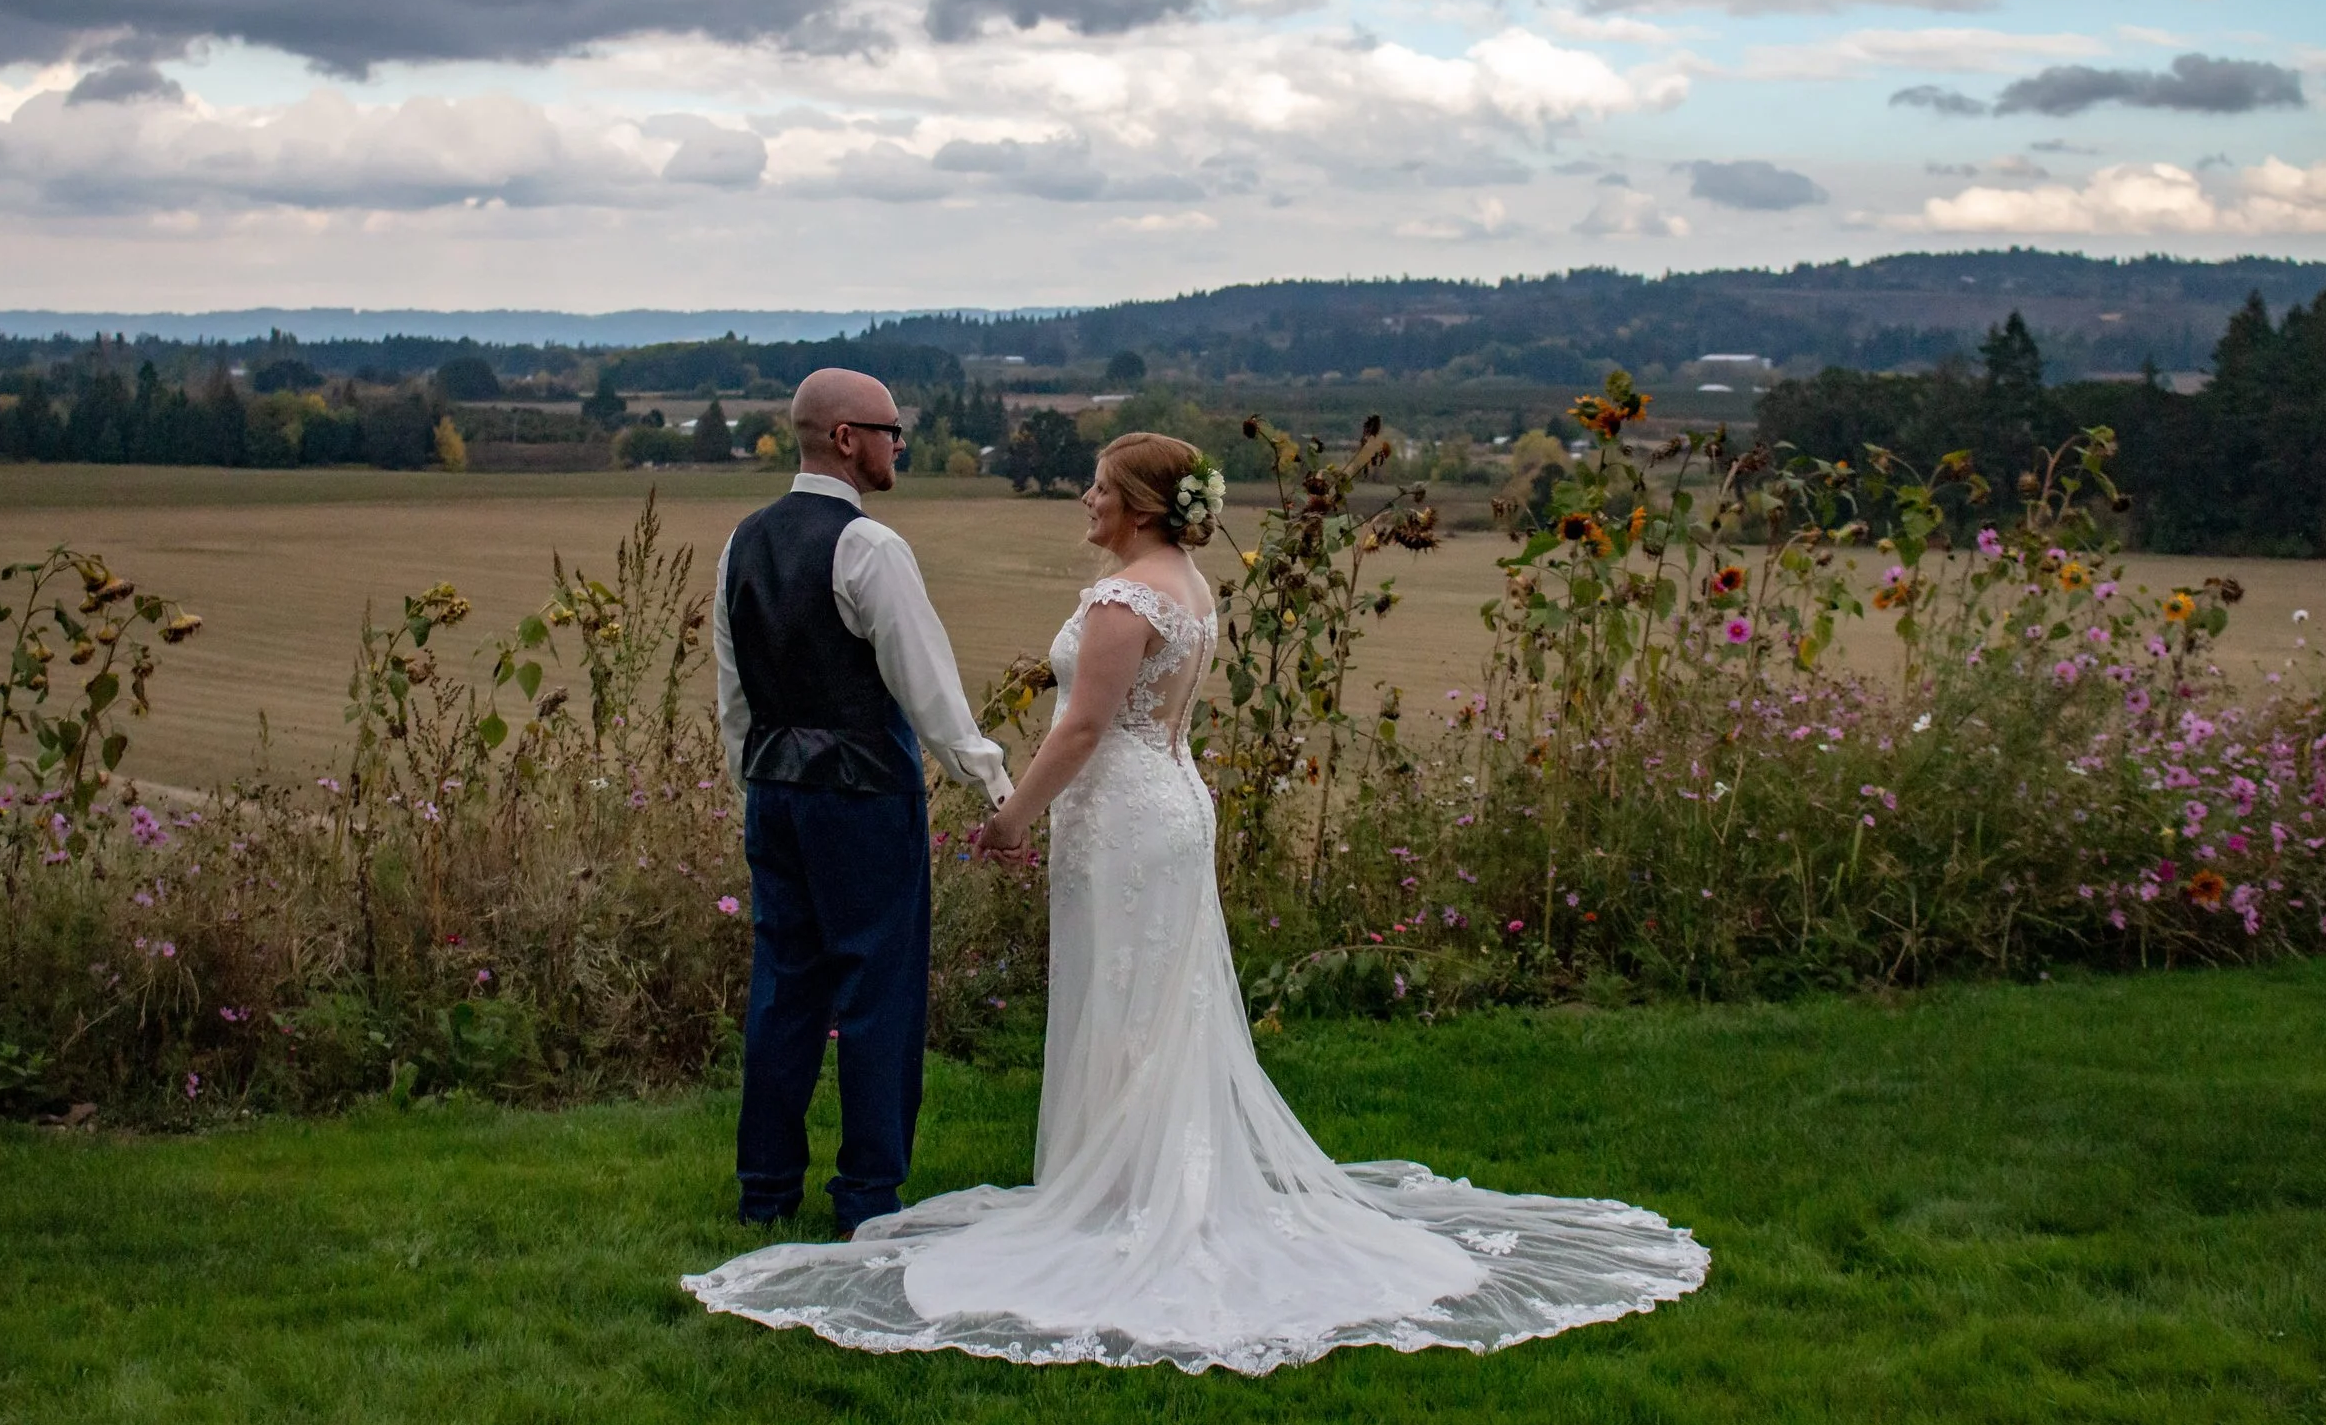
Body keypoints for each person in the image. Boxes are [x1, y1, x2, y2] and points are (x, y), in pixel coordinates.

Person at [687, 432, 1707, 1374]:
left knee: (1127, 997)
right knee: (1156, 999)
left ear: (1135, 505)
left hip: (1121, 813)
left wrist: (1009, 816)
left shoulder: (1125, 600)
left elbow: (1082, 729)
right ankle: (1137, 1180)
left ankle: (1133, 1197)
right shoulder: (1187, 582)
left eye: (1097, 486)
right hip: (1166, 801)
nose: (1083, 498)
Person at [711, 367, 1012, 1237]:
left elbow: (735, 695)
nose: (899, 444)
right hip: (863, 795)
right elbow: (931, 691)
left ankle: (765, 1188)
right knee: (880, 992)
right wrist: (992, 782)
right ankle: (868, 1194)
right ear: (846, 437)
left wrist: (754, 785)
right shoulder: (870, 547)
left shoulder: (741, 542)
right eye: (890, 428)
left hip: (775, 791)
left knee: (783, 989)